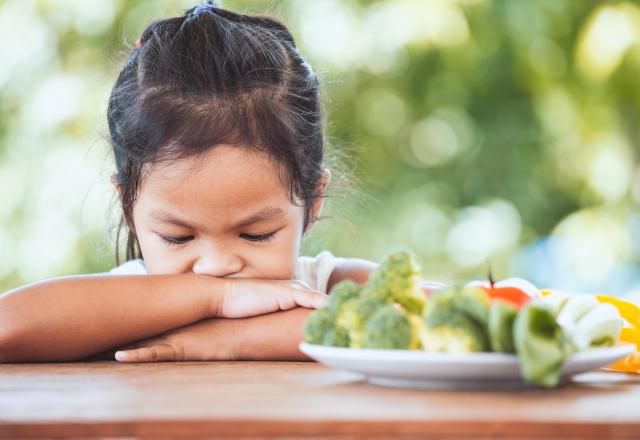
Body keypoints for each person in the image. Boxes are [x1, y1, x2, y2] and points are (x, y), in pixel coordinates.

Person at [0, 2, 383, 363]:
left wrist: (229, 340)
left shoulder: (322, 284)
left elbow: (437, 317)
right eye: (178, 238)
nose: (215, 266)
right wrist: (217, 298)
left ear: (313, 202)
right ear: (128, 208)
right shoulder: (125, 299)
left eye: (256, 234)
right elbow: (7, 326)